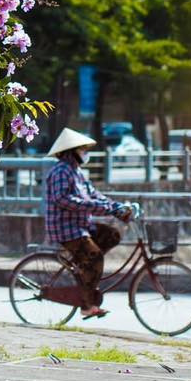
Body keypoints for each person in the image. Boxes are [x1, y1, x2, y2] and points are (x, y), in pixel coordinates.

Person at [45, 127, 134, 319]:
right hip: (66, 227)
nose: (86, 153)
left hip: (81, 226)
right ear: (72, 151)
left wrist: (115, 206)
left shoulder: (77, 173)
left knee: (113, 234)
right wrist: (94, 206)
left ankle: (85, 268)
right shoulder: (61, 171)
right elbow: (62, 199)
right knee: (95, 257)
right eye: (83, 149)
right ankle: (87, 305)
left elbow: (95, 195)